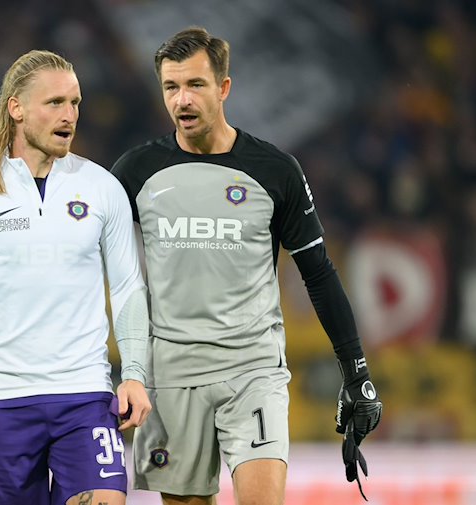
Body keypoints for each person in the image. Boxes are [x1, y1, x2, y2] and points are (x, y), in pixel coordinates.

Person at [110, 28, 383, 505]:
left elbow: (318, 273)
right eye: (171, 87)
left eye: (195, 84)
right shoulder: (136, 171)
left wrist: (355, 369)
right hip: (170, 373)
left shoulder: (274, 171)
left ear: (224, 87)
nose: (182, 100)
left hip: (252, 369)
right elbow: (76, 241)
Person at [0, 50, 152, 505]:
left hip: (84, 395)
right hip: (3, 399)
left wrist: (136, 373)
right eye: (56, 103)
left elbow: (128, 288)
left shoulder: (102, 187)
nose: (70, 116)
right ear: (17, 108)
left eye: (76, 103)